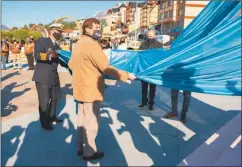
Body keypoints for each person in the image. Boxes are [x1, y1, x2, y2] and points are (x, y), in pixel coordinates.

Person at [68, 18, 136, 161]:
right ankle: (89, 151)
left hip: (80, 89)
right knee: (91, 122)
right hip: (91, 90)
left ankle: (80, 148)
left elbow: (71, 65)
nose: (99, 30)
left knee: (81, 120)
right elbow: (105, 67)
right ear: (87, 29)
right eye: (97, 27)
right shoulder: (92, 45)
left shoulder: (78, 44)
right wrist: (125, 75)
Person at [32, 23, 68, 130]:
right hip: (42, 77)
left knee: (56, 98)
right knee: (44, 101)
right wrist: (49, 55)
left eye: (61, 32)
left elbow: (61, 60)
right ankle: (45, 123)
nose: (60, 34)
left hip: (54, 77)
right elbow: (37, 55)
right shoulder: (43, 41)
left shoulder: (57, 46)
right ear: (52, 31)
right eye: (59, 31)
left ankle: (52, 117)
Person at [138, 30, 163, 110]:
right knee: (144, 87)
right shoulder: (143, 44)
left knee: (152, 88)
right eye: (148, 36)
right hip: (144, 69)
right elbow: (139, 54)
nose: (150, 38)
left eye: (151, 36)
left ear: (154, 36)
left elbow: (160, 58)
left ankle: (151, 103)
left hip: (153, 70)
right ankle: (144, 102)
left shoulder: (159, 45)